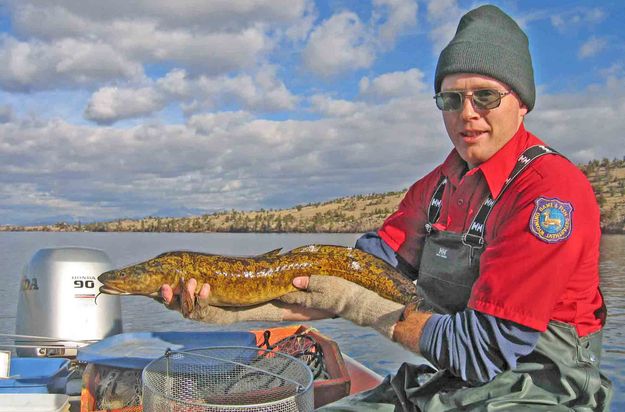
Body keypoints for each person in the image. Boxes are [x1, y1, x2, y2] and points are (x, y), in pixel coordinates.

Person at [161, 5, 612, 410]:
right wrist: (222, 305)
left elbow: (484, 349)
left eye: (485, 97)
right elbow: (346, 279)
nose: (467, 113)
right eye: (451, 99)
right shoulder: (433, 189)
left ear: (522, 102)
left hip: (541, 389)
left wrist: (367, 307)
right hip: (455, 382)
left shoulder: (549, 194)